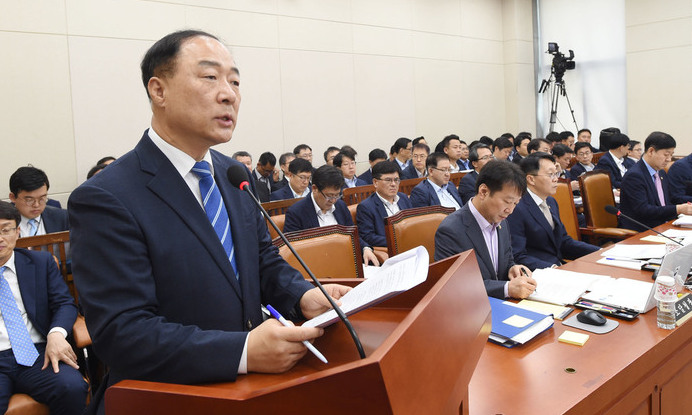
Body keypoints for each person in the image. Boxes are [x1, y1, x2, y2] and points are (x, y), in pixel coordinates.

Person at [68, 30, 349, 414]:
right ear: (158, 90)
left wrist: (302, 295)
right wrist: (243, 351)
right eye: (209, 77)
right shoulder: (106, 197)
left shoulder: (232, 175)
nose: (229, 93)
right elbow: (123, 333)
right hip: (166, 399)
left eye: (235, 81)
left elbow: (262, 263)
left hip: (249, 393)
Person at [0, 201, 87, 414]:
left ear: (18, 232)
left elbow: (64, 304)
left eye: (5, 230)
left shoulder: (41, 262)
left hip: (36, 352)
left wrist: (56, 334)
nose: (0, 238)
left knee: (72, 387)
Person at [435, 160, 535, 299]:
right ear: (483, 191)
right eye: (507, 201)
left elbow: (507, 261)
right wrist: (506, 288)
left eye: (515, 203)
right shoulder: (451, 230)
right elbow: (454, 286)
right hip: (472, 310)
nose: (510, 210)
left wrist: (513, 269)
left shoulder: (502, 221)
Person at [507, 153, 599, 270]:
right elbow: (518, 256)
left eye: (556, 173)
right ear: (531, 179)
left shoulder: (551, 201)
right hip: (539, 274)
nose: (556, 179)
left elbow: (563, 241)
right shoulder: (517, 208)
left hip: (558, 267)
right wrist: (553, 268)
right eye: (550, 175)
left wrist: (600, 252)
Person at [283, 165, 380, 265]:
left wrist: (365, 248)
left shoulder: (340, 206)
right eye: (329, 196)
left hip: (345, 260)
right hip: (316, 265)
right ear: (314, 188)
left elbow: (352, 235)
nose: (333, 200)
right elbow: (293, 251)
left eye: (337, 195)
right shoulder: (296, 212)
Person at [620, 132, 692, 231]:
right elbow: (643, 210)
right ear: (651, 151)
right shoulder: (634, 176)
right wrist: (678, 209)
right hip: (643, 230)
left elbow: (667, 202)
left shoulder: (661, 173)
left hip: (665, 226)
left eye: (671, 155)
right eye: (666, 155)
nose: (669, 159)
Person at [356, 161, 412, 247]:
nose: (393, 184)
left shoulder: (404, 198)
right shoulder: (366, 207)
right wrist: (398, 241)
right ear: (375, 182)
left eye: (396, 180)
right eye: (388, 180)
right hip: (390, 249)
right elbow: (368, 237)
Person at [8, 167, 69, 237]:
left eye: (42, 199)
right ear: (12, 197)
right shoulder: (3, 221)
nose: (36, 205)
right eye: (29, 200)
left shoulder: (62, 218)